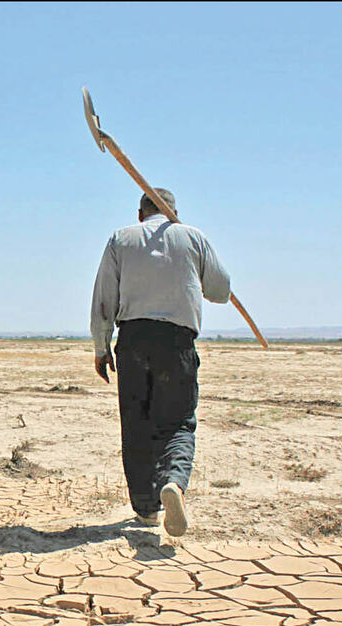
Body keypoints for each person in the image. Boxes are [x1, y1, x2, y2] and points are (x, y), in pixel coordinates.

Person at [89, 188, 231, 536]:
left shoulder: (121, 239)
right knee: (179, 423)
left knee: (136, 425)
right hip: (176, 342)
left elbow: (104, 298)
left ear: (141, 214)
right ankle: (173, 483)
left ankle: (146, 508)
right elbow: (221, 291)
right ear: (172, 211)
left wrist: (100, 346)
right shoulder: (193, 238)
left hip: (133, 342)